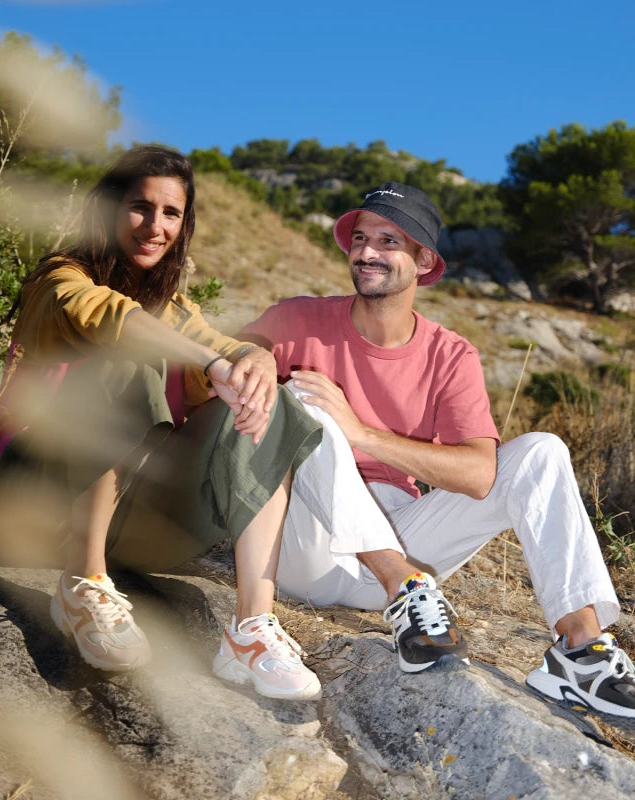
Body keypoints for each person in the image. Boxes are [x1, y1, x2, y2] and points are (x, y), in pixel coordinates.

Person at [239, 181, 635, 718]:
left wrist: (363, 433)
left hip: (409, 535)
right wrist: (257, 353)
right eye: (360, 238)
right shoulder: (297, 319)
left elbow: (477, 476)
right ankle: (402, 587)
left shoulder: (451, 355)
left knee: (541, 450)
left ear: (424, 260)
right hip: (308, 548)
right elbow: (232, 354)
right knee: (303, 401)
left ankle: (580, 651)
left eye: (388, 241)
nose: (367, 252)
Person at [0, 145, 323, 701]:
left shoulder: (173, 307)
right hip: (31, 504)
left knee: (271, 399)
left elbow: (222, 345)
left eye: (171, 213)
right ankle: (82, 585)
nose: (154, 226)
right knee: (128, 352)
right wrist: (212, 362)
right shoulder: (59, 281)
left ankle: (250, 630)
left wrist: (252, 359)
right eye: (140, 206)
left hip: (131, 521)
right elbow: (109, 318)